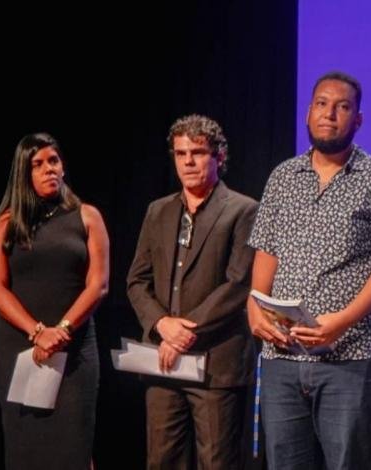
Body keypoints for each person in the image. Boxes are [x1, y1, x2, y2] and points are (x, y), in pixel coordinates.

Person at [246, 71, 371, 469]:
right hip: (283, 356)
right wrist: (253, 306)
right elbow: (267, 248)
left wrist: (343, 320)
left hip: (352, 356)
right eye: (321, 104)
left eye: (342, 107)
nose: (329, 114)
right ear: (308, 112)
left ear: (358, 119)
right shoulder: (284, 176)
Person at [127, 114, 259, 469]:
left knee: (216, 462)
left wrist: (183, 330)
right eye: (180, 153)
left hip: (217, 363)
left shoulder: (243, 210)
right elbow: (136, 281)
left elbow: (238, 283)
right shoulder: (158, 211)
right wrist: (161, 325)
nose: (188, 161)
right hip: (163, 362)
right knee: (161, 460)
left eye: (198, 153)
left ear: (219, 156)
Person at [0, 133, 110, 469]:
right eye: (37, 165)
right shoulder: (7, 223)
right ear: (23, 174)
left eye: (53, 161)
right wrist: (38, 331)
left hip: (74, 349)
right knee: (25, 449)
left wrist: (62, 329)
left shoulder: (87, 216)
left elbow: (98, 285)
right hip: (19, 348)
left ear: (63, 166)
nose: (48, 169)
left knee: (74, 448)